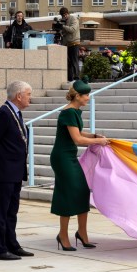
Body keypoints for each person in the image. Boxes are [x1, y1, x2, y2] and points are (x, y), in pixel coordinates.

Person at [50, 80, 111, 252]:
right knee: (68, 193)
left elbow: (77, 132)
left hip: (68, 156)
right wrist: (99, 140)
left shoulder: (75, 112)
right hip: (62, 158)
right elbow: (77, 139)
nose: (88, 98)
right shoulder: (69, 112)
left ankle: (82, 233)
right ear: (77, 96)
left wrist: (93, 134)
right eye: (86, 95)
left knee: (82, 191)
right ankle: (63, 235)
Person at [0, 81, 34, 260]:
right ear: (19, 96)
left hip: (15, 170)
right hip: (3, 171)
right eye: (28, 95)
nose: (30, 98)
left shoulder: (15, 113)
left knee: (11, 211)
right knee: (1, 213)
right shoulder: (3, 113)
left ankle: (12, 244)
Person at [58, 7, 81, 80]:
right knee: (68, 62)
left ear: (67, 13)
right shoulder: (64, 21)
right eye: (62, 16)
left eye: (65, 15)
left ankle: (77, 77)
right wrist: (59, 27)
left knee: (74, 61)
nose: (64, 17)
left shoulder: (73, 19)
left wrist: (63, 26)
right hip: (67, 44)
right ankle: (70, 78)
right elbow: (64, 32)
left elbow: (72, 29)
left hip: (74, 43)